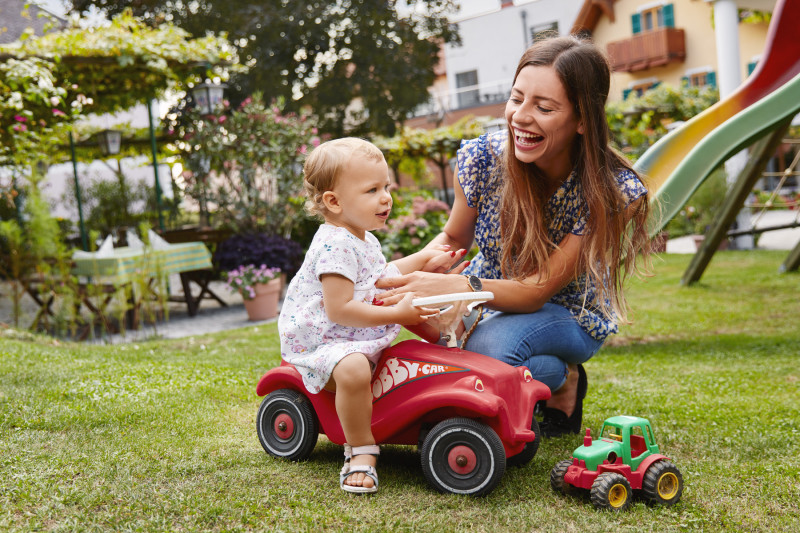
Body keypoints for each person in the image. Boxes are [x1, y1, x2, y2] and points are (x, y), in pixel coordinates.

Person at [376, 35, 654, 438]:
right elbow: (453, 237)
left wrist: (459, 285)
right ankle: (559, 375)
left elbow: (536, 291)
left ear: (582, 120)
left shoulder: (611, 194)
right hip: (489, 297)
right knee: (438, 339)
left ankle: (562, 378)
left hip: (570, 313)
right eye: (516, 99)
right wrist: (404, 272)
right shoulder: (484, 158)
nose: (520, 117)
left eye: (543, 107)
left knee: (486, 351)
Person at [278, 137, 462, 493]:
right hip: (325, 342)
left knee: (403, 298)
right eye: (372, 189)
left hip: (350, 333)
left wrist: (426, 258)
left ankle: (449, 339)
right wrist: (396, 310)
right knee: (354, 368)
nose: (386, 197)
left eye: (386, 186)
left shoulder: (361, 237)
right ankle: (360, 449)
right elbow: (340, 309)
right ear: (333, 201)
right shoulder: (335, 245)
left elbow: (380, 276)